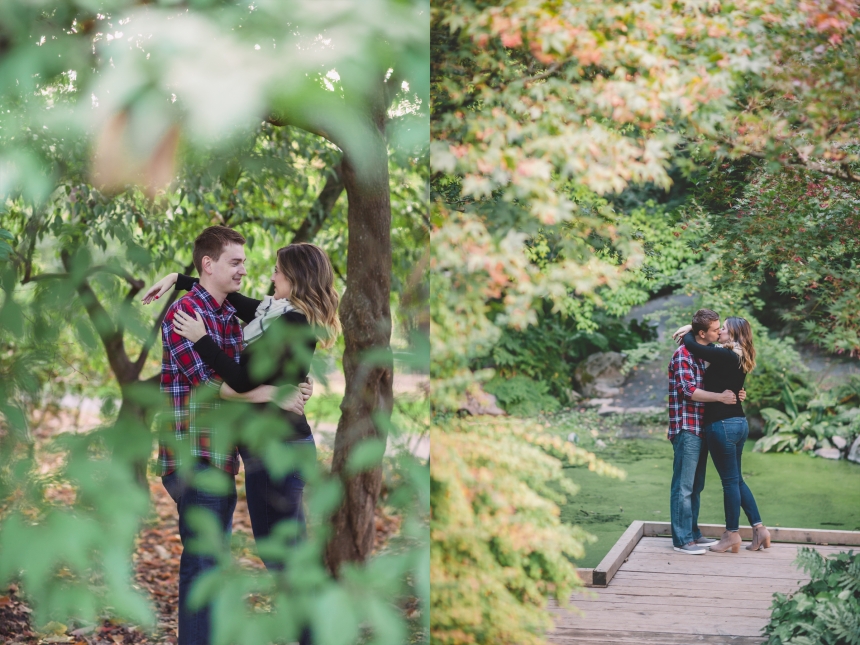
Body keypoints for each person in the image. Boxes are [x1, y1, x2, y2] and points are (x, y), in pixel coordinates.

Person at [144, 241, 340, 645]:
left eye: (279, 272)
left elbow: (238, 380)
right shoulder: (275, 314)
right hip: (264, 450)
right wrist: (179, 280)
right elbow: (231, 297)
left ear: (296, 279)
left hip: (277, 450)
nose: (269, 277)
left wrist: (202, 339)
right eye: (239, 263)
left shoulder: (290, 323)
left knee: (283, 558)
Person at [675, 316, 771, 553]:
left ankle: (731, 534)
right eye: (718, 329)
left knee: (730, 482)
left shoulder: (726, 355)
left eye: (724, 330)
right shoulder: (738, 355)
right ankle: (759, 529)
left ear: (735, 334)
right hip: (739, 422)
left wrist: (691, 328)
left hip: (722, 424)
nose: (719, 333)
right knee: (736, 479)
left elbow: (694, 345)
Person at [667, 309, 747, 555]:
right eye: (715, 329)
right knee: (683, 486)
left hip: (702, 426)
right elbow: (688, 390)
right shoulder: (683, 355)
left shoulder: (706, 356)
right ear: (703, 333)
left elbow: (721, 379)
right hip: (687, 426)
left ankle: (693, 533)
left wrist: (736, 394)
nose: (719, 332)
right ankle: (682, 540)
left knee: (696, 485)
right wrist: (721, 398)